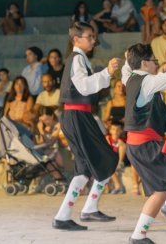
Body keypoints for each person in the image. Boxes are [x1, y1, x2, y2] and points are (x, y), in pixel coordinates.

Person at [52, 21, 121, 231]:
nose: (93, 40)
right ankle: (88, 208)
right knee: (108, 158)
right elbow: (83, 86)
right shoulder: (76, 59)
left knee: (83, 168)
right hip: (77, 115)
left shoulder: (79, 59)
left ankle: (65, 215)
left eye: (93, 37)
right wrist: (107, 73)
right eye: (89, 36)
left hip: (77, 115)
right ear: (76, 39)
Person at [122, 43, 166, 243]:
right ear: (144, 63)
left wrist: (128, 56)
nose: (156, 65)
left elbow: (126, 68)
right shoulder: (146, 81)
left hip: (136, 146)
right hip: (145, 145)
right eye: (154, 61)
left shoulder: (130, 78)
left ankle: (138, 236)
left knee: (159, 192)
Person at [105, 123, 125, 194]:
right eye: (113, 129)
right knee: (108, 166)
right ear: (110, 131)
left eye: (118, 130)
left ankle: (117, 186)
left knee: (122, 145)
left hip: (117, 161)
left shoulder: (121, 142)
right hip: (108, 160)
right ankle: (117, 185)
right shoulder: (107, 139)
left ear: (121, 131)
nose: (116, 132)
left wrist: (119, 162)